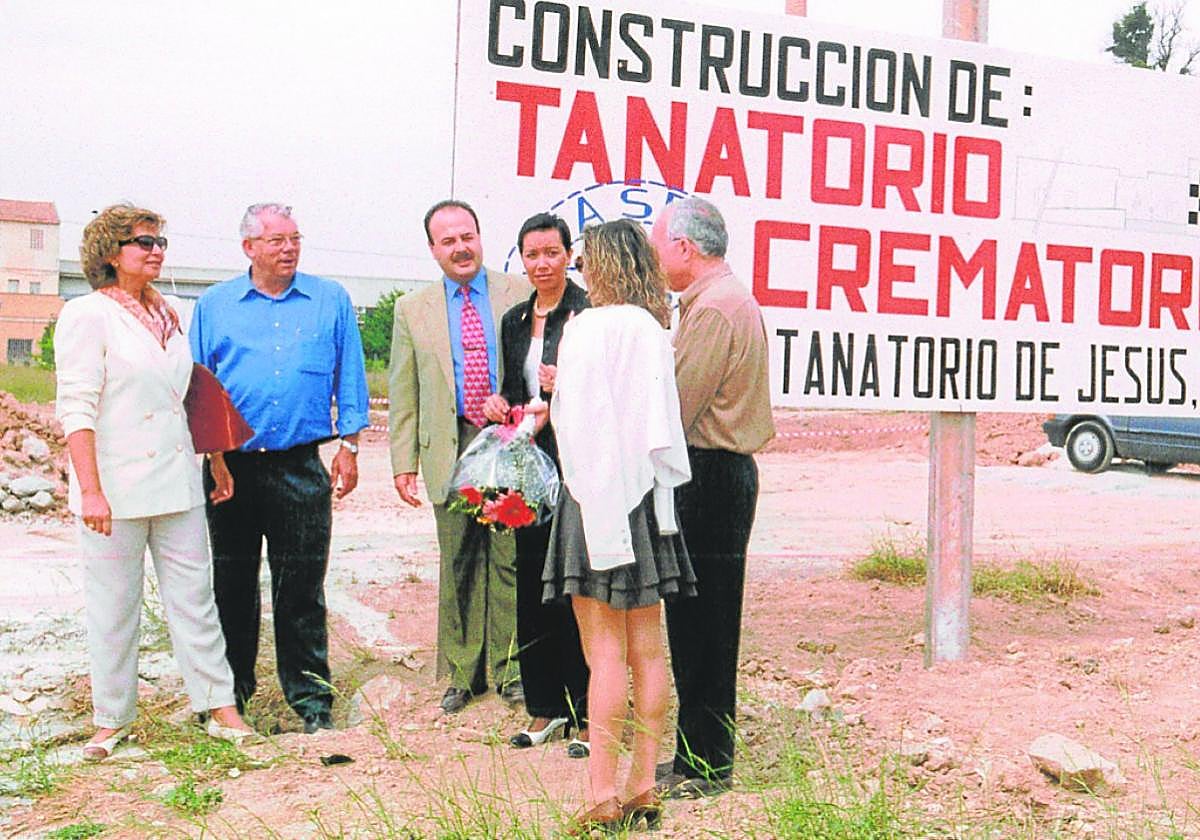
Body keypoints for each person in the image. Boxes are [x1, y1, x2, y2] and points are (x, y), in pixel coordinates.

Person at [56, 203, 254, 760]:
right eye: (143, 242)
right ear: (110, 253)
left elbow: (189, 395)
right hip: (113, 488)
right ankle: (111, 719)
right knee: (113, 608)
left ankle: (219, 706)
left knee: (195, 600)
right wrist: (91, 490)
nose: (156, 251)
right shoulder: (88, 315)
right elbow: (76, 407)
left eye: (160, 241)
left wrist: (216, 459)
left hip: (176, 478)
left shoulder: (170, 313)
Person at [189, 203, 369, 734]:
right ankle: (229, 699)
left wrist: (350, 446)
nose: (288, 248)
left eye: (294, 238)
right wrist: (214, 457)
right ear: (249, 247)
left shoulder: (330, 301)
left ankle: (312, 702)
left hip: (300, 466)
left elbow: (350, 376)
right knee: (231, 586)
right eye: (275, 240)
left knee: (302, 589)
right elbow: (199, 385)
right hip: (231, 470)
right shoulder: (215, 305)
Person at [542, 219, 695, 835]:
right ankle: (642, 783)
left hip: (594, 498)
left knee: (603, 654)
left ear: (600, 267)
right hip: (648, 501)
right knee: (648, 650)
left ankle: (601, 793)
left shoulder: (584, 328)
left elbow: (574, 423)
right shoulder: (654, 329)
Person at [649, 197, 775, 797]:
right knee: (700, 622)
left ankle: (705, 763)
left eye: (658, 245)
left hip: (710, 475)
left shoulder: (715, 309)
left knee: (704, 626)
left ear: (685, 247)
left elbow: (677, 407)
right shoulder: (720, 300)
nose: (655, 257)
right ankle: (695, 755)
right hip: (716, 475)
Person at [388, 199, 530, 714]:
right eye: (448, 241)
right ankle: (463, 673)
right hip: (449, 446)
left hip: (508, 444)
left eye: (467, 236)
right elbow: (404, 390)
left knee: (510, 558)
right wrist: (403, 462)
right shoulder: (412, 309)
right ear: (433, 249)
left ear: (480, 237)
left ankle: (512, 669)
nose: (460, 248)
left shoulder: (520, 293)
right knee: (459, 560)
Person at [481, 213, 590, 756]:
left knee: (575, 588)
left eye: (552, 252)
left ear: (569, 254)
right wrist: (498, 403)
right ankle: (545, 707)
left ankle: (588, 711)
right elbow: (511, 387)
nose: (542, 263)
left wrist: (564, 385)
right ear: (520, 259)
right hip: (527, 466)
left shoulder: (587, 313)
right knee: (530, 584)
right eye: (532, 254)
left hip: (575, 464)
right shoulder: (514, 319)